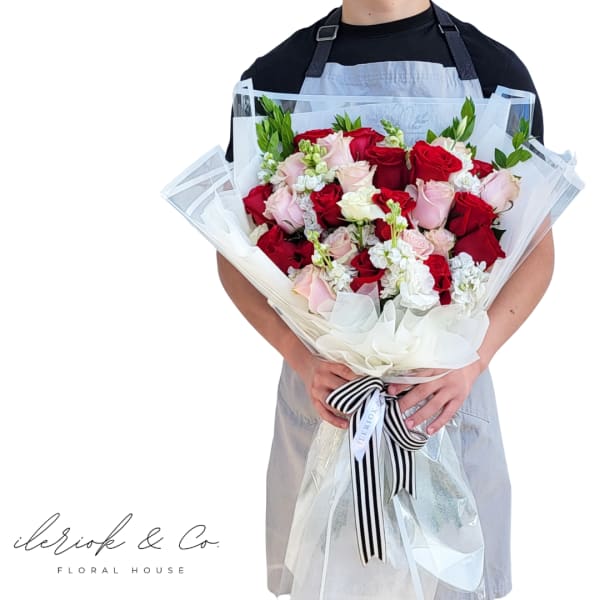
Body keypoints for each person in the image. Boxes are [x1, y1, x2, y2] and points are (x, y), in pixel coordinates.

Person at [219, 1, 554, 598]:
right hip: (328, 394)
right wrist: (303, 360)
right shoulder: (277, 76)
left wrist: (473, 362)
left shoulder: (495, 73)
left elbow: (537, 250)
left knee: (455, 578)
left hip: (446, 397)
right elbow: (234, 253)